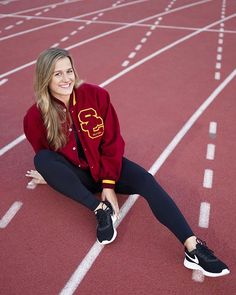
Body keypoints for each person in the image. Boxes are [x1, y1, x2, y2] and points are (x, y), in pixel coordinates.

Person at [23, 47, 230, 278]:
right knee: (41, 159)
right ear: (45, 77)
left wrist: (108, 185)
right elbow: (44, 152)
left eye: (68, 71)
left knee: (147, 181)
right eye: (57, 74)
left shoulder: (96, 96)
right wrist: (50, 174)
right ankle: (100, 210)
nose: (66, 78)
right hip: (78, 176)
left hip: (105, 168)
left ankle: (192, 248)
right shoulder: (35, 116)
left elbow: (112, 142)